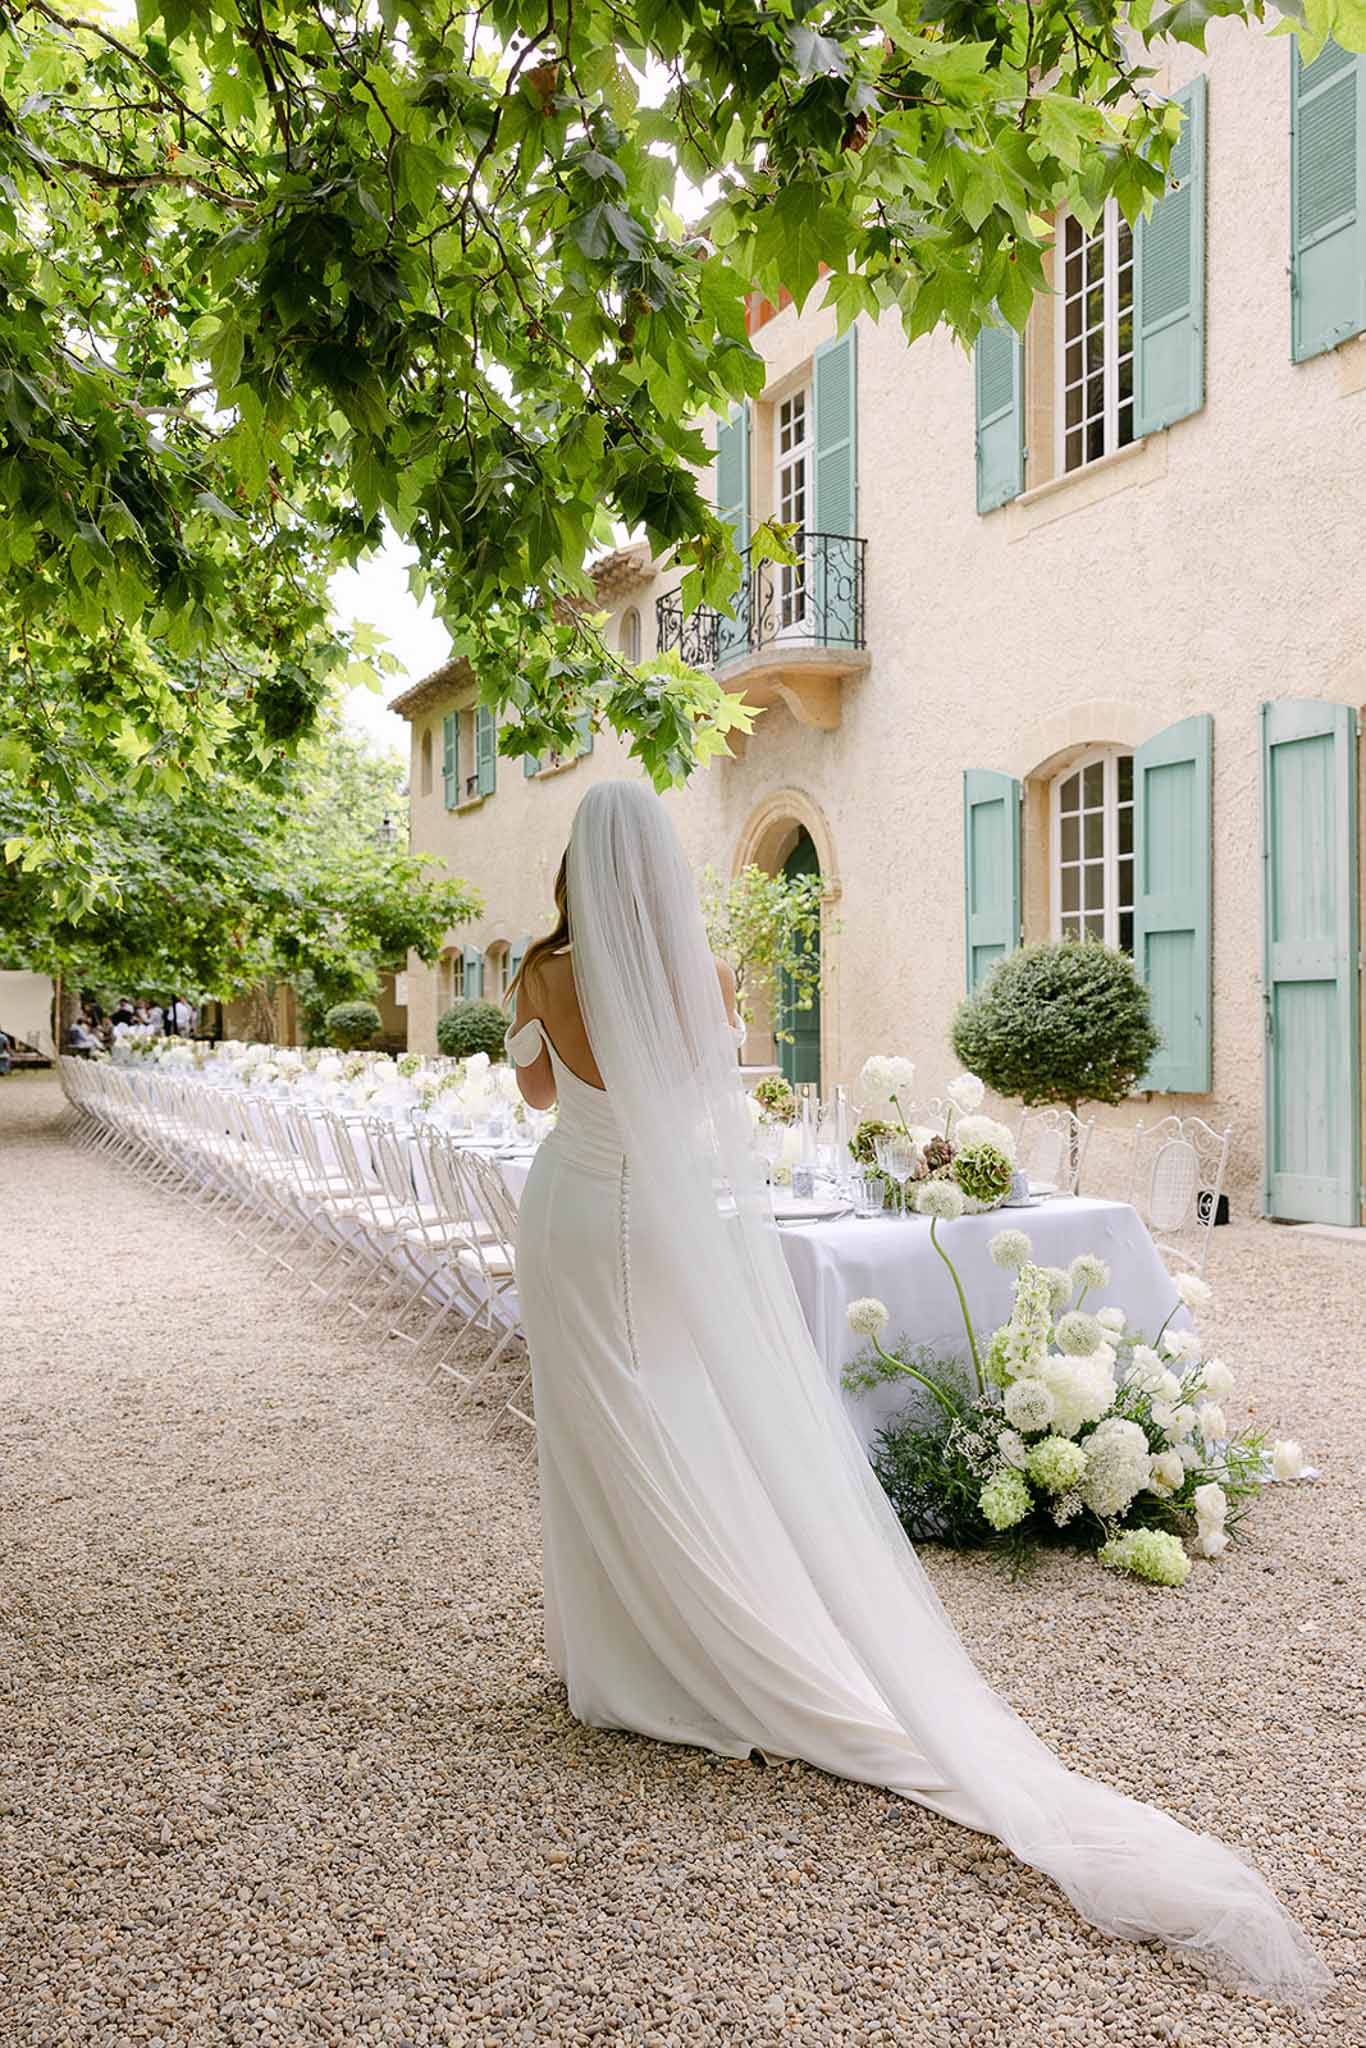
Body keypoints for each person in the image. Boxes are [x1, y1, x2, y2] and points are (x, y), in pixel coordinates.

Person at [505, 780, 1328, 2007]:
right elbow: (705, 1116)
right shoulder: (709, 980)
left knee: (594, 1421)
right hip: (662, 1231)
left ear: (576, 864)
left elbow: (531, 1095)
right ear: (662, 872)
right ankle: (687, 1628)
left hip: (571, 1212)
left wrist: (553, 1044)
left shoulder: (537, 971)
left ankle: (627, 1649)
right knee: (672, 1413)